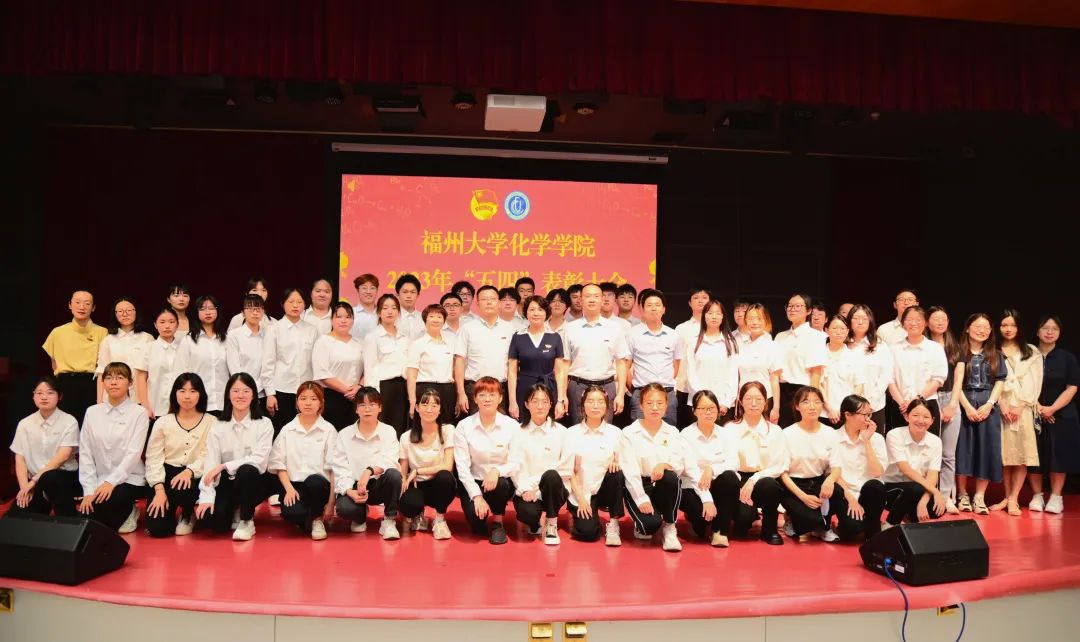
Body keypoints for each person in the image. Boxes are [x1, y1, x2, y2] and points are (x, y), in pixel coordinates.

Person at [195, 372, 274, 541]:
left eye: (246, 391)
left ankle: (246, 520)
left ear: (254, 395)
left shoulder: (264, 423)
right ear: (228, 395)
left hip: (255, 482)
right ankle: (234, 508)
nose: (240, 396)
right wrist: (207, 496)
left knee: (247, 470)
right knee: (210, 521)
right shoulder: (218, 425)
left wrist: (225, 465)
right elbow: (211, 463)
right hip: (227, 482)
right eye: (235, 391)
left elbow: (260, 460)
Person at [619, 382, 691, 552]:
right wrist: (641, 498)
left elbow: (679, 462)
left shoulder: (672, 432)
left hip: (662, 484)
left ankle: (670, 526)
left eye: (659, 403)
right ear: (641, 405)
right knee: (649, 527)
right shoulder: (629, 433)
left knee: (670, 476)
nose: (655, 407)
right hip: (639, 484)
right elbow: (629, 471)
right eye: (649, 403)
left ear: (666, 405)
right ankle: (647, 521)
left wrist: (664, 465)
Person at [78, 362, 149, 533]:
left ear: (130, 383)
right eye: (109, 378)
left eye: (120, 378)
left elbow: (134, 453)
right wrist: (88, 490)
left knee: (104, 511)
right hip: (100, 479)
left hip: (130, 478)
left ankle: (131, 510)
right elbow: (86, 453)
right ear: (103, 382)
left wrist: (111, 482)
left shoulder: (139, 413)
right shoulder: (92, 412)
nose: (114, 382)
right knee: (87, 515)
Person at [144, 373, 213, 537]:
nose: (187, 396)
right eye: (182, 391)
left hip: (195, 475)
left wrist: (189, 471)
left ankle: (188, 513)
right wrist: (159, 490)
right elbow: (153, 458)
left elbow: (208, 454)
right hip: (166, 475)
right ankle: (169, 508)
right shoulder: (162, 422)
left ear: (201, 395)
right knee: (158, 528)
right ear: (175, 394)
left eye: (193, 391)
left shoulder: (211, 421)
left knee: (184, 488)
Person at [453, 377, 521, 544]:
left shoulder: (511, 426)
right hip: (474, 481)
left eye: (492, 395)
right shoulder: (464, 426)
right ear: (475, 399)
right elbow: (462, 467)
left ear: (500, 398)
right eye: (482, 395)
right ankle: (479, 514)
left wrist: (497, 471)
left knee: (501, 484)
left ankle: (498, 522)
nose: (487, 399)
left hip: (499, 482)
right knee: (477, 525)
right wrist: (476, 495)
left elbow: (515, 463)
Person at [330, 386, 403, 539]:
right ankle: (359, 516)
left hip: (378, 485)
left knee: (394, 475)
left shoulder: (388, 431)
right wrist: (349, 491)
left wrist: (369, 471)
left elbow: (390, 460)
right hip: (355, 486)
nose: (367, 409)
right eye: (362, 405)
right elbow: (340, 468)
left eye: (372, 404)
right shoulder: (344, 434)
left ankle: (389, 521)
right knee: (344, 508)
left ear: (380, 407)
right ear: (357, 409)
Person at [268, 381, 337, 540]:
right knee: (292, 513)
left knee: (315, 481)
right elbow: (279, 464)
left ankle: (317, 519)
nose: (308, 403)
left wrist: (331, 502)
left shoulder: (328, 430)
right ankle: (307, 518)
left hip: (320, 486)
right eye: (303, 398)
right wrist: (289, 489)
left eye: (313, 399)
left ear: (321, 403)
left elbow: (334, 468)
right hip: (294, 485)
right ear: (297, 402)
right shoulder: (287, 430)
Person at [953, 313, 1007, 515]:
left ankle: (979, 496)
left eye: (986, 327)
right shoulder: (957, 352)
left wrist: (990, 404)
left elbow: (1000, 381)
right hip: (963, 402)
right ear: (967, 328)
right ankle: (962, 495)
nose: (982, 330)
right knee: (963, 449)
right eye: (977, 326)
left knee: (987, 450)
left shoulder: (996, 354)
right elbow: (955, 383)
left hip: (988, 405)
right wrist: (967, 407)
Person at [6, 377, 80, 519]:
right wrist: (25, 488)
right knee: (15, 519)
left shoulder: (69, 421)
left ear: (59, 396)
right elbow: (20, 459)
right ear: (33, 396)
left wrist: (34, 481)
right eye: (39, 393)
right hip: (35, 483)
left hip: (63, 478)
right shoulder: (25, 424)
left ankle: (69, 519)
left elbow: (63, 456)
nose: (44, 397)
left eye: (50, 393)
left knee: (50, 478)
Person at [993, 310, 1042, 515]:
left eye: (1012, 325)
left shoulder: (1031, 351)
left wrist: (1021, 405)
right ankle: (1006, 497)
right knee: (1006, 455)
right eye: (1004, 325)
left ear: (1019, 327)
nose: (1008, 329)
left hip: (1023, 407)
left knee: (1021, 455)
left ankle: (1014, 498)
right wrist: (1001, 405)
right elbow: (991, 380)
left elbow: (1036, 381)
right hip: (1001, 405)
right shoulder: (993, 349)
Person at [1028, 315, 1079, 514]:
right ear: (1037, 331)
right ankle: (1037, 495)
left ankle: (1056, 497)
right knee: (1034, 456)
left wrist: (1052, 408)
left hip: (1062, 415)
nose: (1050, 332)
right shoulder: (1028, 355)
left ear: (1059, 333)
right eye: (1045, 328)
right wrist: (1039, 408)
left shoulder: (1067, 358)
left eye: (1054, 329)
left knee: (1059, 456)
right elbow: (1023, 384)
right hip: (1033, 411)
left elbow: (1072, 386)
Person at [564, 386, 625, 546]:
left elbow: (623, 461)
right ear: (582, 405)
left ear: (607, 406)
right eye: (590, 401)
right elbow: (568, 471)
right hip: (581, 491)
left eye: (600, 402)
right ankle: (583, 517)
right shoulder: (571, 433)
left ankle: (613, 523)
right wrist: (582, 501)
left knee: (617, 472)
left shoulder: (616, 433)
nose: (595, 406)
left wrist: (616, 463)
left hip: (605, 489)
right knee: (587, 533)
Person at [509, 384, 570, 545]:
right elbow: (515, 466)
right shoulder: (517, 432)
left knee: (551, 475)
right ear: (526, 404)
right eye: (534, 401)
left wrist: (537, 489)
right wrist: (524, 489)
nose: (540, 406)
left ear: (551, 404)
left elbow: (565, 467)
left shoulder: (562, 432)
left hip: (552, 488)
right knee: (527, 513)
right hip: (527, 489)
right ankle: (534, 522)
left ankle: (551, 524)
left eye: (544, 401)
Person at [679, 390, 741, 547]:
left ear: (718, 410)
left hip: (719, 484)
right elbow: (691, 470)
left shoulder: (726, 434)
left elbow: (734, 462)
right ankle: (697, 522)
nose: (708, 412)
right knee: (699, 518)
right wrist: (706, 499)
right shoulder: (686, 435)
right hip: (693, 486)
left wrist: (711, 469)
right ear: (694, 411)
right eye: (702, 409)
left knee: (730, 477)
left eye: (712, 408)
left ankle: (720, 531)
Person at [563, 283, 630, 425]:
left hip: (607, 385)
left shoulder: (615, 328)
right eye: (587, 296)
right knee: (578, 429)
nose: (592, 299)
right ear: (581, 300)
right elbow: (564, 364)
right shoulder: (569, 328)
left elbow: (621, 363)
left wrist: (620, 394)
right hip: (577, 386)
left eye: (596, 296)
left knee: (605, 430)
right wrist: (562, 395)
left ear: (602, 300)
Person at [779, 386, 840, 542]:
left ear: (822, 405)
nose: (812, 407)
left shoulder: (830, 433)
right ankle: (792, 517)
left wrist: (830, 480)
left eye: (817, 402)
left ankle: (824, 526)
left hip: (818, 482)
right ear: (797, 406)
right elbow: (783, 473)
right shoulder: (787, 434)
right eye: (806, 402)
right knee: (807, 523)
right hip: (793, 485)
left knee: (838, 491)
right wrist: (803, 496)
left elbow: (836, 466)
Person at [728, 382, 786, 545]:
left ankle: (770, 529)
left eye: (758, 399)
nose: (753, 403)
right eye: (748, 399)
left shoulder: (775, 431)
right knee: (743, 517)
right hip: (738, 478)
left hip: (763, 478)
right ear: (740, 401)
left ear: (765, 402)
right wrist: (740, 484)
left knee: (770, 486)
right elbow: (727, 461)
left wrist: (753, 480)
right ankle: (743, 520)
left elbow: (778, 465)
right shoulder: (730, 429)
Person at [398, 388, 456, 540]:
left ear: (440, 409)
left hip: (438, 484)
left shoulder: (448, 431)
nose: (429, 410)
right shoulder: (406, 437)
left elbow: (447, 466)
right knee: (408, 505)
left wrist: (417, 471)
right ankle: (418, 514)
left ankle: (440, 520)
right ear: (417, 407)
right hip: (417, 485)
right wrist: (402, 491)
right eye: (424, 404)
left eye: (434, 405)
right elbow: (403, 473)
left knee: (445, 477)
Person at [42, 289, 107, 425]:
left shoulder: (102, 332)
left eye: (87, 303)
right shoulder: (58, 332)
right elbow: (54, 363)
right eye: (77, 302)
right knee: (64, 426)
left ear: (93, 308)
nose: (82, 307)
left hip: (92, 384)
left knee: (90, 426)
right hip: (65, 385)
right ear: (70, 305)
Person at [828, 395, 887, 540]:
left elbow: (877, 472)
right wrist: (850, 498)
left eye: (869, 414)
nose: (868, 419)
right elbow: (833, 473)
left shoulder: (876, 438)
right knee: (852, 530)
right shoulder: (833, 437)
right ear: (847, 415)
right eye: (864, 415)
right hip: (845, 493)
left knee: (875, 485)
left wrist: (866, 441)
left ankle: (873, 531)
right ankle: (848, 525)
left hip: (868, 493)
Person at [882, 398, 946, 526]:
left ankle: (910, 517)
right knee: (915, 489)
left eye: (926, 417)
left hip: (919, 488)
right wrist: (935, 491)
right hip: (892, 487)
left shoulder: (935, 441)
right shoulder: (894, 435)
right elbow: (906, 470)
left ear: (932, 420)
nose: (921, 420)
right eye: (916, 415)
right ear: (907, 417)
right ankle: (890, 524)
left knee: (936, 509)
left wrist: (924, 501)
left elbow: (933, 474)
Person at [263, 288, 319, 434]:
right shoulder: (274, 329)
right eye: (291, 301)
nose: (295, 305)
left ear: (305, 304)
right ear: (283, 304)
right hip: (282, 389)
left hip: (306, 391)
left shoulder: (312, 330)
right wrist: (270, 394)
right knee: (283, 432)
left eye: (299, 302)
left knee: (306, 431)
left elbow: (316, 362)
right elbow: (268, 362)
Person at [454, 285, 514, 415]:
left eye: (492, 299)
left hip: (501, 388)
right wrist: (461, 393)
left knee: (501, 425)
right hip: (474, 388)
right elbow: (459, 361)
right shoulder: (467, 328)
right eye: (484, 299)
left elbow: (513, 364)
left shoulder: (510, 329)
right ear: (477, 303)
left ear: (499, 302)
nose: (489, 302)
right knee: (474, 425)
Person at [888, 306, 948, 435]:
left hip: (927, 404)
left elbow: (938, 379)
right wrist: (902, 403)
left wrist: (916, 400)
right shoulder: (893, 349)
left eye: (918, 320)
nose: (913, 323)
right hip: (900, 406)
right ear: (903, 323)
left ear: (925, 323)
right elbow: (889, 379)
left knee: (929, 444)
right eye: (909, 319)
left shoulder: (935, 348)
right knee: (899, 443)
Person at [770, 293, 826, 428]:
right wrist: (776, 405)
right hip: (781, 393)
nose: (792, 309)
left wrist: (811, 401)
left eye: (797, 306)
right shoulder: (780, 337)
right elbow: (775, 372)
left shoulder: (816, 337)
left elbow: (816, 373)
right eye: (789, 306)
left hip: (803, 392)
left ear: (808, 311)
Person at [626, 289, 681, 424]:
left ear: (664, 309)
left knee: (668, 433)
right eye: (649, 305)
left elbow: (676, 364)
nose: (654, 308)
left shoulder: (673, 335)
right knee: (639, 433)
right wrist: (636, 389)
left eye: (657, 305)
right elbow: (626, 366)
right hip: (641, 393)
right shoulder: (632, 334)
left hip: (667, 394)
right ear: (642, 309)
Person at [508, 296, 567, 421]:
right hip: (524, 387)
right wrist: (512, 401)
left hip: (549, 387)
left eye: (540, 309)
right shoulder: (518, 337)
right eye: (532, 309)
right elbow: (512, 372)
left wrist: (560, 400)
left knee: (548, 425)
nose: (536, 313)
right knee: (524, 425)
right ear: (526, 313)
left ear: (546, 313)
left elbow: (560, 372)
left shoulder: (554, 337)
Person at [926, 306, 962, 510]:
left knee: (948, 454)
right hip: (928, 399)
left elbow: (958, 379)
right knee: (928, 452)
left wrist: (952, 404)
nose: (940, 322)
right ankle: (928, 494)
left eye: (943, 319)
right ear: (927, 322)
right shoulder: (923, 345)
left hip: (949, 397)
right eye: (935, 318)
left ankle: (946, 496)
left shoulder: (955, 347)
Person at [683, 299, 737, 424]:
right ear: (704, 316)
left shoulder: (730, 343)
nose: (714, 316)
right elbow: (691, 373)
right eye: (710, 313)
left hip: (722, 405)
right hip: (698, 404)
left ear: (723, 317)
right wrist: (702, 400)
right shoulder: (694, 342)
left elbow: (733, 375)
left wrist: (726, 403)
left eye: (718, 313)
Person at [314, 301, 365, 430]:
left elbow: (368, 369)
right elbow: (322, 373)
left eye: (348, 317)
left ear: (353, 320)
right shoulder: (323, 341)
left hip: (357, 397)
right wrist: (347, 390)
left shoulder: (359, 343)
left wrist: (359, 387)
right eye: (339, 316)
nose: (343, 320)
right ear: (331, 319)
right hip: (331, 397)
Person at [362, 295, 408, 434]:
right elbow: (369, 368)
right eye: (385, 308)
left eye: (394, 308)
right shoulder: (372, 337)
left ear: (398, 312)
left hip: (402, 388)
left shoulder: (404, 337)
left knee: (400, 428)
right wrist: (372, 397)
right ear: (378, 312)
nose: (390, 311)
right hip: (383, 388)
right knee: (383, 428)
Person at [96, 296, 152, 406]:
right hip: (113, 398)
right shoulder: (108, 340)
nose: (125, 314)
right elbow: (101, 371)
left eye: (129, 310)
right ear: (115, 315)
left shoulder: (147, 338)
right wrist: (99, 402)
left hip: (140, 398)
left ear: (136, 312)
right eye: (120, 311)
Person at [407, 304, 458, 426]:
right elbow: (411, 375)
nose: (436, 320)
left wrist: (457, 397)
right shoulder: (417, 344)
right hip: (425, 389)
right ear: (425, 319)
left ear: (444, 321)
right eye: (432, 316)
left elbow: (455, 371)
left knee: (446, 426)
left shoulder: (452, 342)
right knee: (425, 426)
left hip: (447, 390)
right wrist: (413, 401)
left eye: (439, 317)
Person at [177, 295, 229, 414]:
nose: (208, 312)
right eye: (202, 309)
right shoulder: (188, 340)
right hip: (198, 403)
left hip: (224, 402)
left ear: (217, 311)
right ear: (197, 312)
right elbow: (180, 372)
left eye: (211, 308)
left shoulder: (227, 339)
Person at [847, 304, 894, 434]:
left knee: (873, 443)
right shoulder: (843, 344)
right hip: (847, 407)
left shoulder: (879, 345)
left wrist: (870, 404)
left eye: (864, 318)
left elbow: (886, 375)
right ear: (849, 320)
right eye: (856, 318)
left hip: (874, 406)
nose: (860, 322)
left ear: (870, 321)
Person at [820, 314, 865, 427]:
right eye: (835, 328)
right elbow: (818, 385)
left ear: (847, 331)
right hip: (824, 413)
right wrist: (829, 408)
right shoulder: (819, 354)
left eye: (842, 329)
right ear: (826, 330)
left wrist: (847, 408)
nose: (839, 332)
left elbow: (859, 385)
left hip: (847, 413)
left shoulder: (854, 356)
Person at [225, 294, 270, 401]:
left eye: (258, 309)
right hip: (242, 393)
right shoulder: (234, 335)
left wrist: (258, 387)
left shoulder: (268, 335)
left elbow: (269, 366)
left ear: (263, 312)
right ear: (243, 313)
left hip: (264, 393)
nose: (255, 312)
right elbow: (234, 368)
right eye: (250, 309)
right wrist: (249, 389)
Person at [144, 308, 183, 421]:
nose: (167, 326)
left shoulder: (184, 347)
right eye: (162, 322)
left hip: (181, 408)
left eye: (171, 322)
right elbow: (140, 379)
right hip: (155, 408)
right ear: (155, 325)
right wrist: (146, 406)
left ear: (177, 325)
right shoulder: (148, 348)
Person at [737, 303, 775, 400]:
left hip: (765, 398)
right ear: (745, 321)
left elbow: (775, 379)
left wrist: (776, 406)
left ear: (766, 320)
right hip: (743, 398)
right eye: (750, 319)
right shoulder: (741, 345)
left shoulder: (772, 345)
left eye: (759, 319)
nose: (754, 322)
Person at [395, 274, 425, 340]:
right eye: (405, 292)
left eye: (412, 292)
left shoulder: (424, 318)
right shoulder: (392, 317)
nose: (409, 296)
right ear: (397, 294)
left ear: (418, 295)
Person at [350, 273, 380, 340]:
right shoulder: (350, 313)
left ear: (377, 290)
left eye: (372, 288)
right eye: (364, 288)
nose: (368, 292)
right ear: (358, 290)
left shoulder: (382, 313)